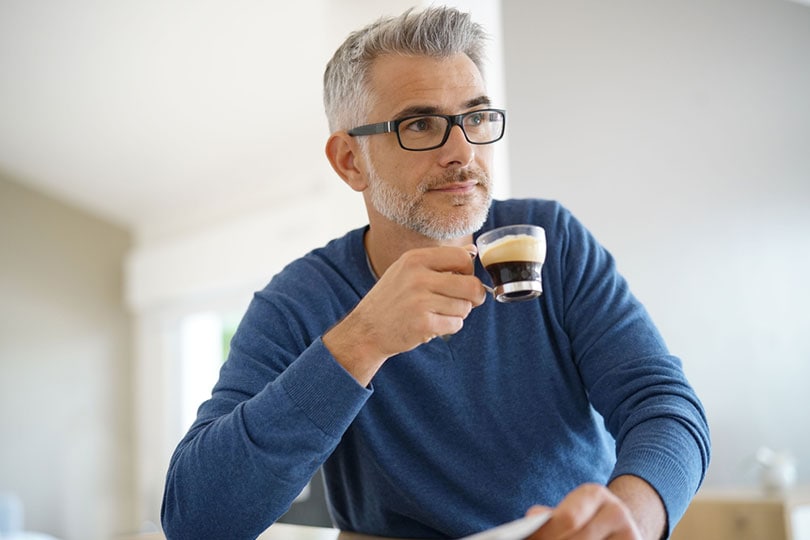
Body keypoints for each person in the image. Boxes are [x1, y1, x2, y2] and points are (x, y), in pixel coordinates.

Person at [161, 6, 710, 540]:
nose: (462, 150)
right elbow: (196, 522)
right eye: (420, 124)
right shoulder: (299, 301)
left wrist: (633, 520)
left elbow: (663, 406)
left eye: (475, 117)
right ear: (350, 161)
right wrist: (360, 340)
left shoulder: (552, 239)